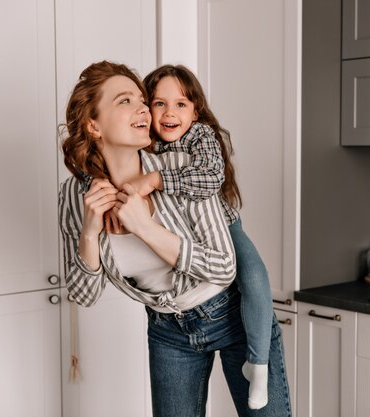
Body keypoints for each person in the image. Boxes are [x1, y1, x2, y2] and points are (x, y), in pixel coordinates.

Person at [58, 60, 292, 417]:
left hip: (233, 314)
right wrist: (90, 233)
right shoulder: (75, 198)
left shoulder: (181, 168)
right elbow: (84, 295)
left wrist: (146, 229)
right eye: (125, 101)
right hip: (167, 330)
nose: (142, 108)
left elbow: (225, 266)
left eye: (141, 99)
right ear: (93, 125)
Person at [117, 64, 274, 410]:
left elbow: (209, 180)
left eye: (181, 104)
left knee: (254, 276)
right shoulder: (146, 146)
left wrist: (156, 180)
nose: (170, 113)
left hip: (226, 229)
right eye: (159, 104)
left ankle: (259, 362)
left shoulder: (200, 136)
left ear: (196, 110)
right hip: (173, 312)